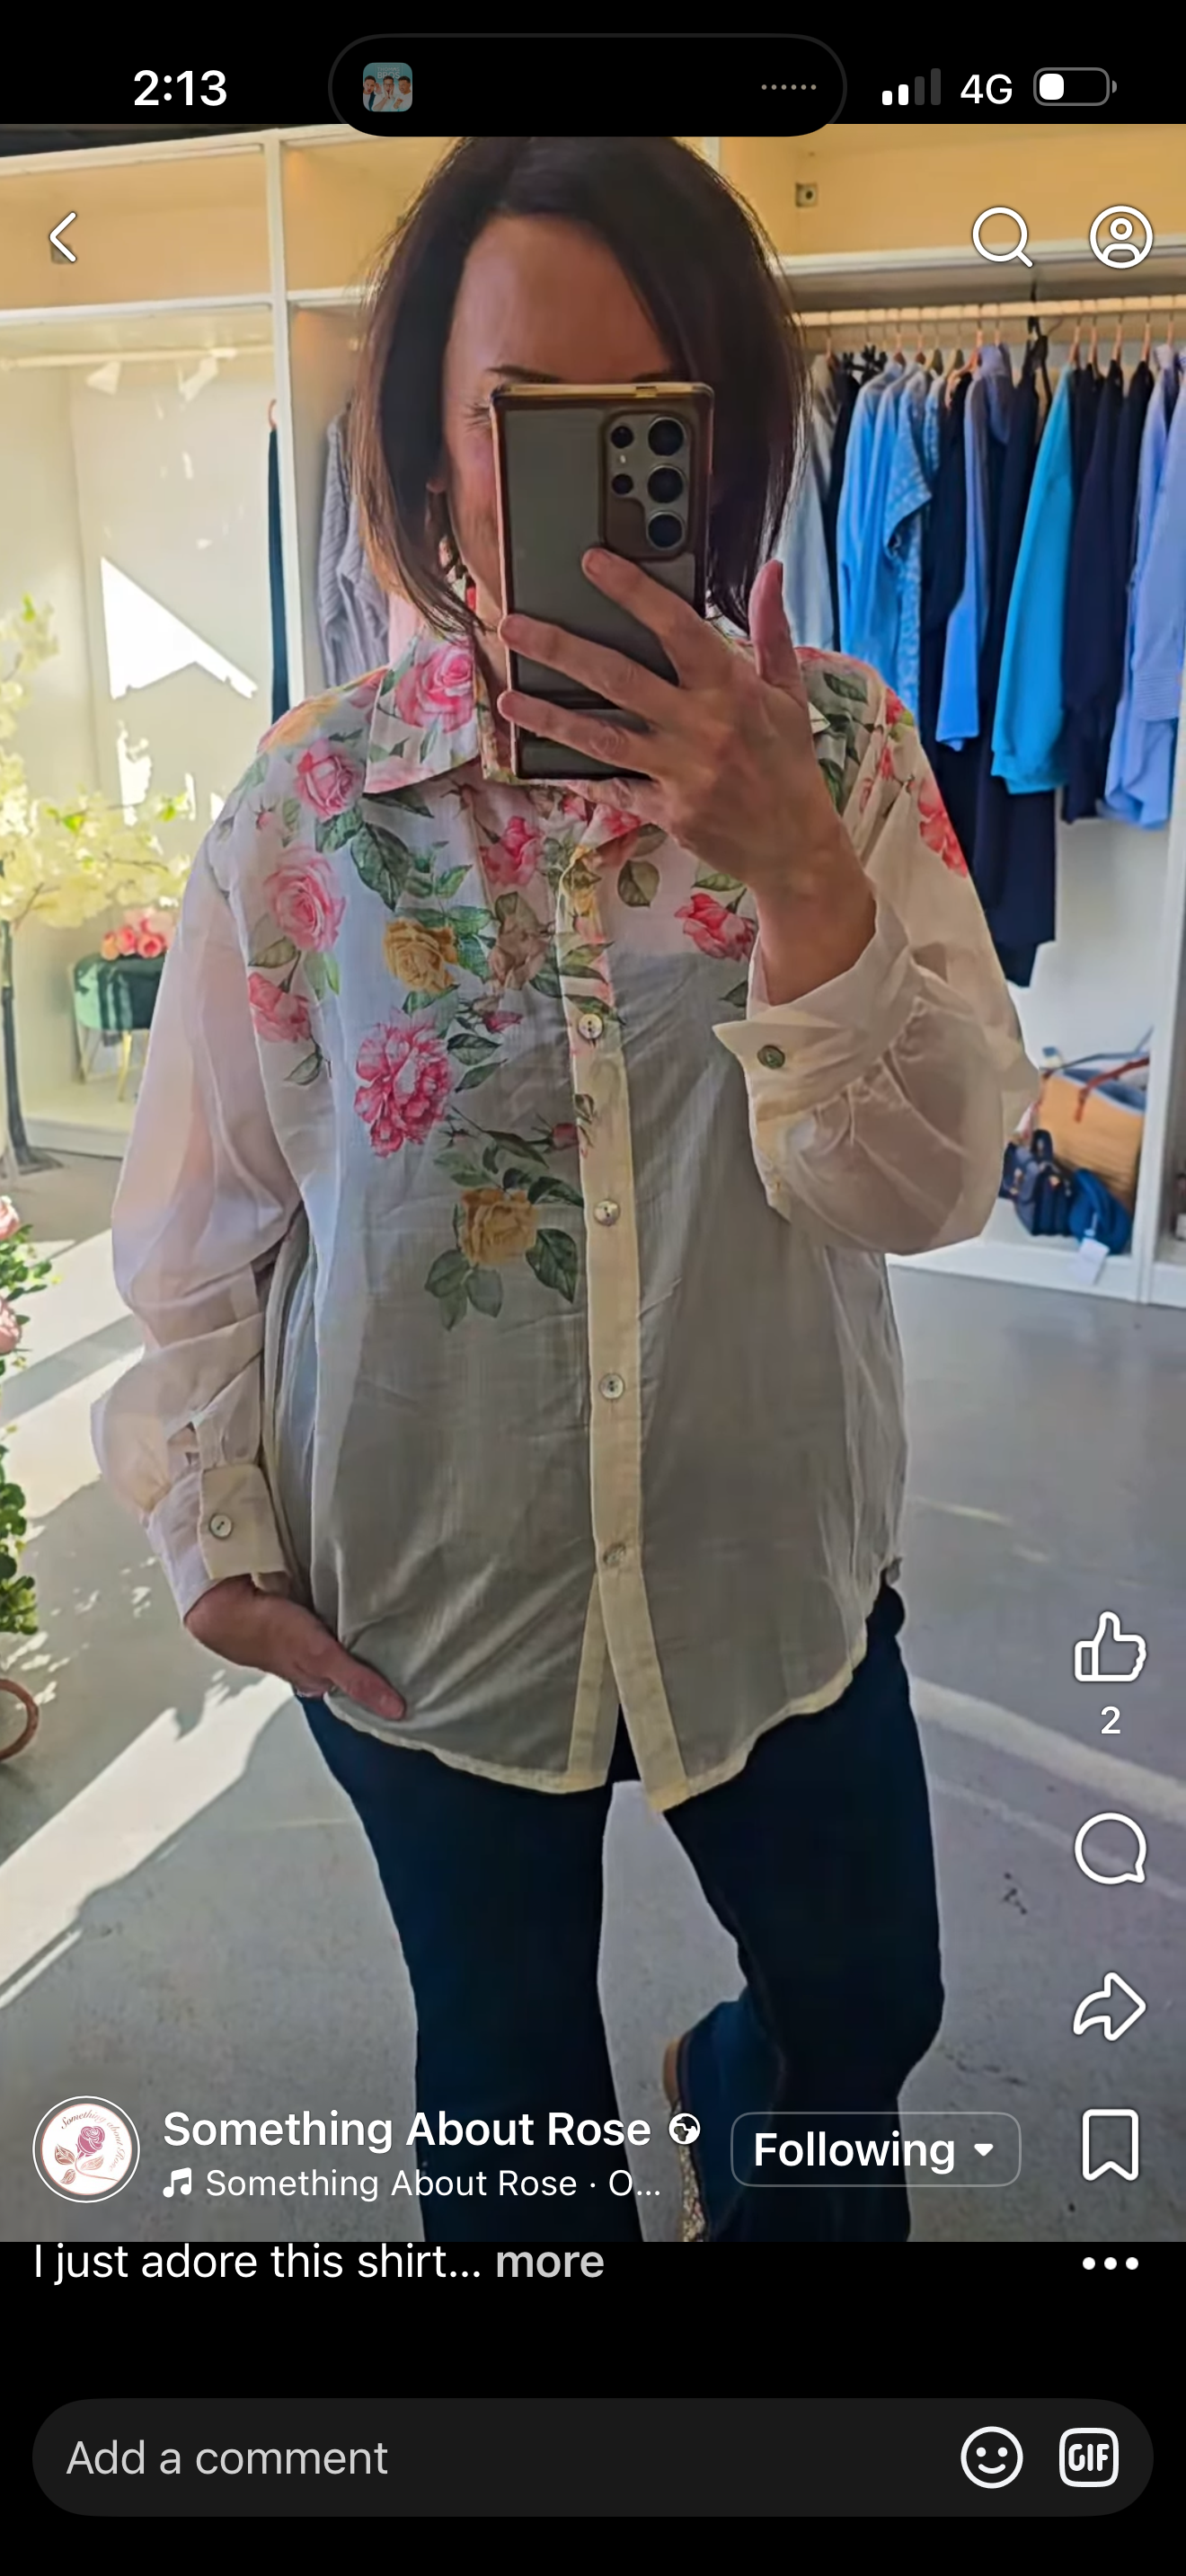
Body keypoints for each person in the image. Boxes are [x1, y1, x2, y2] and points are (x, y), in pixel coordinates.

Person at [93, 135, 1037, 2246]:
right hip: (430, 1604)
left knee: (864, 2012)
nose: (590, 487)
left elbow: (928, 1189)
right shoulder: (309, 812)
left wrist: (801, 882)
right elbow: (207, 1219)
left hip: (769, 1574)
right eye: (526, 416)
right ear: (434, 447)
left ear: (723, 440)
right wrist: (209, 1526)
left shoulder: (847, 757)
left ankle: (743, 2087)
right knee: (507, 2094)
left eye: (645, 417)